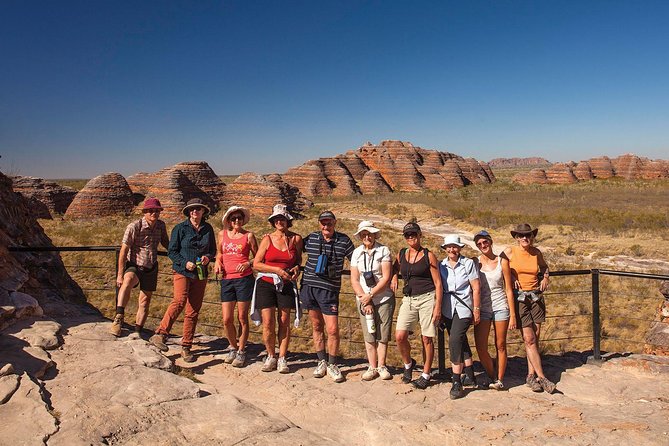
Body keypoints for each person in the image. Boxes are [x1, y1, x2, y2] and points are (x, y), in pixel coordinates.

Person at [149, 198, 216, 363]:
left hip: (200, 274)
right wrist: (184, 262)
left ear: (203, 212)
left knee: (193, 310)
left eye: (198, 209)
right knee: (179, 301)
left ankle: (186, 346)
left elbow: (213, 250)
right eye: (192, 209)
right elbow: (172, 251)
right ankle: (160, 335)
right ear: (188, 212)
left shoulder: (208, 229)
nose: (195, 212)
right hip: (182, 271)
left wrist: (207, 258)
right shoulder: (180, 228)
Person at [301, 210, 354, 383]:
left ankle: (332, 363)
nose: (326, 226)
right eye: (323, 223)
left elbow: (357, 260)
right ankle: (321, 361)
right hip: (309, 287)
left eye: (329, 223)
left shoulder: (344, 241)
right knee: (316, 326)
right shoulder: (311, 238)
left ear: (335, 223)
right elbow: (292, 249)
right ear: (319, 224)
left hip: (329, 290)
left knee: (332, 329)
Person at [502, 223, 556, 394]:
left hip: (536, 298)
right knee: (529, 338)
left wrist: (545, 277)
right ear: (516, 238)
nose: (524, 238)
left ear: (532, 237)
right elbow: (501, 267)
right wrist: (510, 275)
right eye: (520, 236)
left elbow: (544, 267)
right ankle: (542, 378)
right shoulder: (509, 252)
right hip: (520, 299)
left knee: (534, 338)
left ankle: (530, 375)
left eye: (527, 235)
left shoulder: (536, 253)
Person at [252, 204, 303, 373]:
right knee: (268, 322)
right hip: (266, 283)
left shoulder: (296, 239)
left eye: (283, 218)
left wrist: (296, 268)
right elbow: (256, 263)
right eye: (277, 219)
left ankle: (282, 358)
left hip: (286, 284)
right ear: (273, 222)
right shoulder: (267, 239)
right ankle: (270, 355)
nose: (280, 221)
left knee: (284, 322)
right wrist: (277, 270)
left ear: (288, 221)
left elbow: (298, 260)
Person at [392, 222, 442, 390]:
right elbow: (394, 267)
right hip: (409, 299)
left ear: (420, 235)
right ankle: (408, 364)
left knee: (427, 337)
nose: (410, 237)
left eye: (413, 233)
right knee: (400, 335)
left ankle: (426, 374)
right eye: (407, 235)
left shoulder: (429, 256)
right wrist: (393, 277)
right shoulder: (402, 254)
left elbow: (438, 283)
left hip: (427, 297)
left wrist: (438, 307)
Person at [111, 197, 169, 337]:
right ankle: (119, 317)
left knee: (144, 301)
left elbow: (167, 244)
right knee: (127, 280)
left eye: (156, 210)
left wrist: (182, 255)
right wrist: (119, 274)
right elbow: (124, 250)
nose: (153, 213)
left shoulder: (160, 226)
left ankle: (138, 331)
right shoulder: (134, 226)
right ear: (144, 212)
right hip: (135, 265)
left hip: (151, 267)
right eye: (150, 210)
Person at [349, 220, 395, 381]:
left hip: (383, 297)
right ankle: (372, 366)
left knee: (382, 333)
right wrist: (365, 299)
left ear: (375, 235)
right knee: (369, 333)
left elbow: (386, 277)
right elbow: (354, 279)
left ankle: (381, 366)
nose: (367, 237)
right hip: (363, 299)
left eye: (369, 234)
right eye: (364, 234)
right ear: (360, 236)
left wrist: (371, 295)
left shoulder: (383, 250)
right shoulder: (356, 253)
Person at [214, 205, 258, 368]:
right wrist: (218, 261)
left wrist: (248, 263)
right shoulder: (221, 235)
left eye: (239, 218)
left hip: (244, 280)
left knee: (242, 317)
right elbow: (219, 252)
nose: (237, 221)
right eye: (234, 219)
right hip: (226, 279)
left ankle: (241, 350)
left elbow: (258, 257)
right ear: (229, 221)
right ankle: (232, 346)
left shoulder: (249, 236)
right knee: (226, 319)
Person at [473, 230, 516, 390]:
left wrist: (512, 315)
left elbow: (508, 289)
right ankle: (492, 375)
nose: (483, 245)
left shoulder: (501, 261)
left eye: (485, 242)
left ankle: (499, 379)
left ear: (490, 242)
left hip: (500, 307)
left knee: (501, 344)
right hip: (482, 308)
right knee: (481, 346)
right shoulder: (475, 263)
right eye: (479, 244)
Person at [439, 234, 481, 399]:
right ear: (445, 248)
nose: (452, 250)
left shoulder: (468, 264)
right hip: (448, 308)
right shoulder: (441, 265)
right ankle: (470, 374)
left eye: (455, 246)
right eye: (449, 247)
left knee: (455, 339)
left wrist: (476, 309)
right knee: (461, 339)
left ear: (460, 248)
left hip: (463, 307)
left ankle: (456, 380)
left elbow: (476, 288)